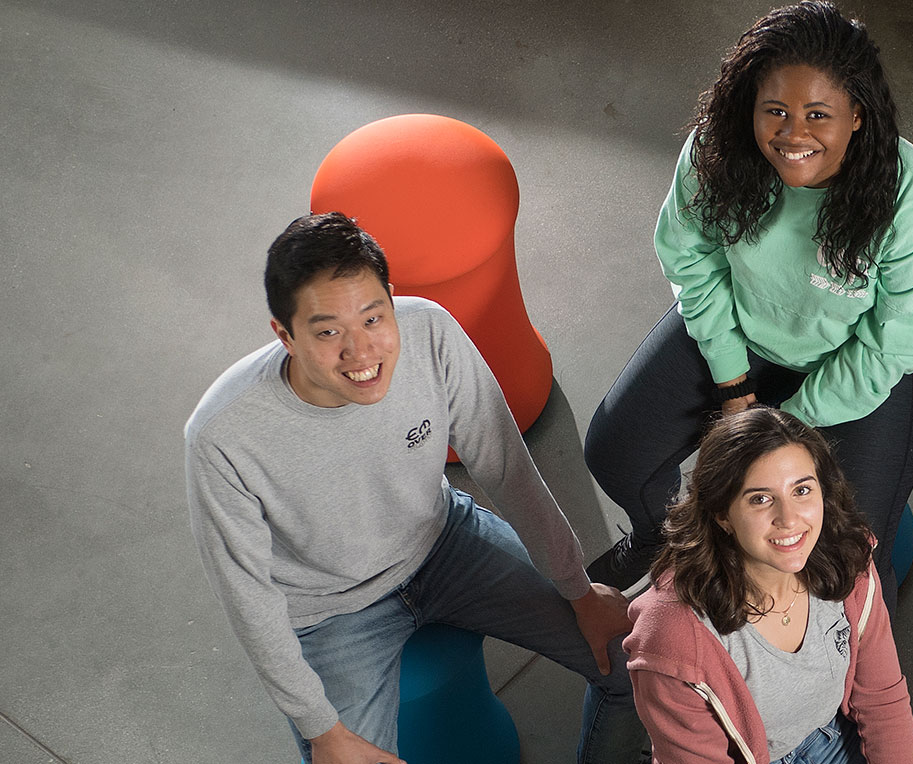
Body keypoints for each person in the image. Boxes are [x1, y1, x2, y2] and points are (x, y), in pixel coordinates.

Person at [184, 212, 645, 764]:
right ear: (283, 334)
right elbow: (248, 598)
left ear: (391, 299)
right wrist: (320, 727)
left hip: (445, 543)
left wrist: (577, 588)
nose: (361, 353)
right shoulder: (222, 435)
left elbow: (507, 468)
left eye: (373, 319)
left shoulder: (430, 331)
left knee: (635, 666)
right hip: (329, 613)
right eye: (328, 331)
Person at [585, 0, 913, 608]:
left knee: (846, 558)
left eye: (818, 114)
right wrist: (732, 384)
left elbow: (888, 348)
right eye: (775, 111)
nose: (792, 135)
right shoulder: (716, 153)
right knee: (615, 450)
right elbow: (692, 259)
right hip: (747, 327)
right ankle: (659, 542)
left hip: (867, 359)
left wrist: (780, 432)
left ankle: (856, 682)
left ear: (858, 115)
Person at [624, 407, 913, 764]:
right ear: (722, 514)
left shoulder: (849, 558)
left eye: (801, 490)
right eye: (760, 498)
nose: (789, 519)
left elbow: (880, 700)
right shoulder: (672, 638)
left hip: (837, 731)